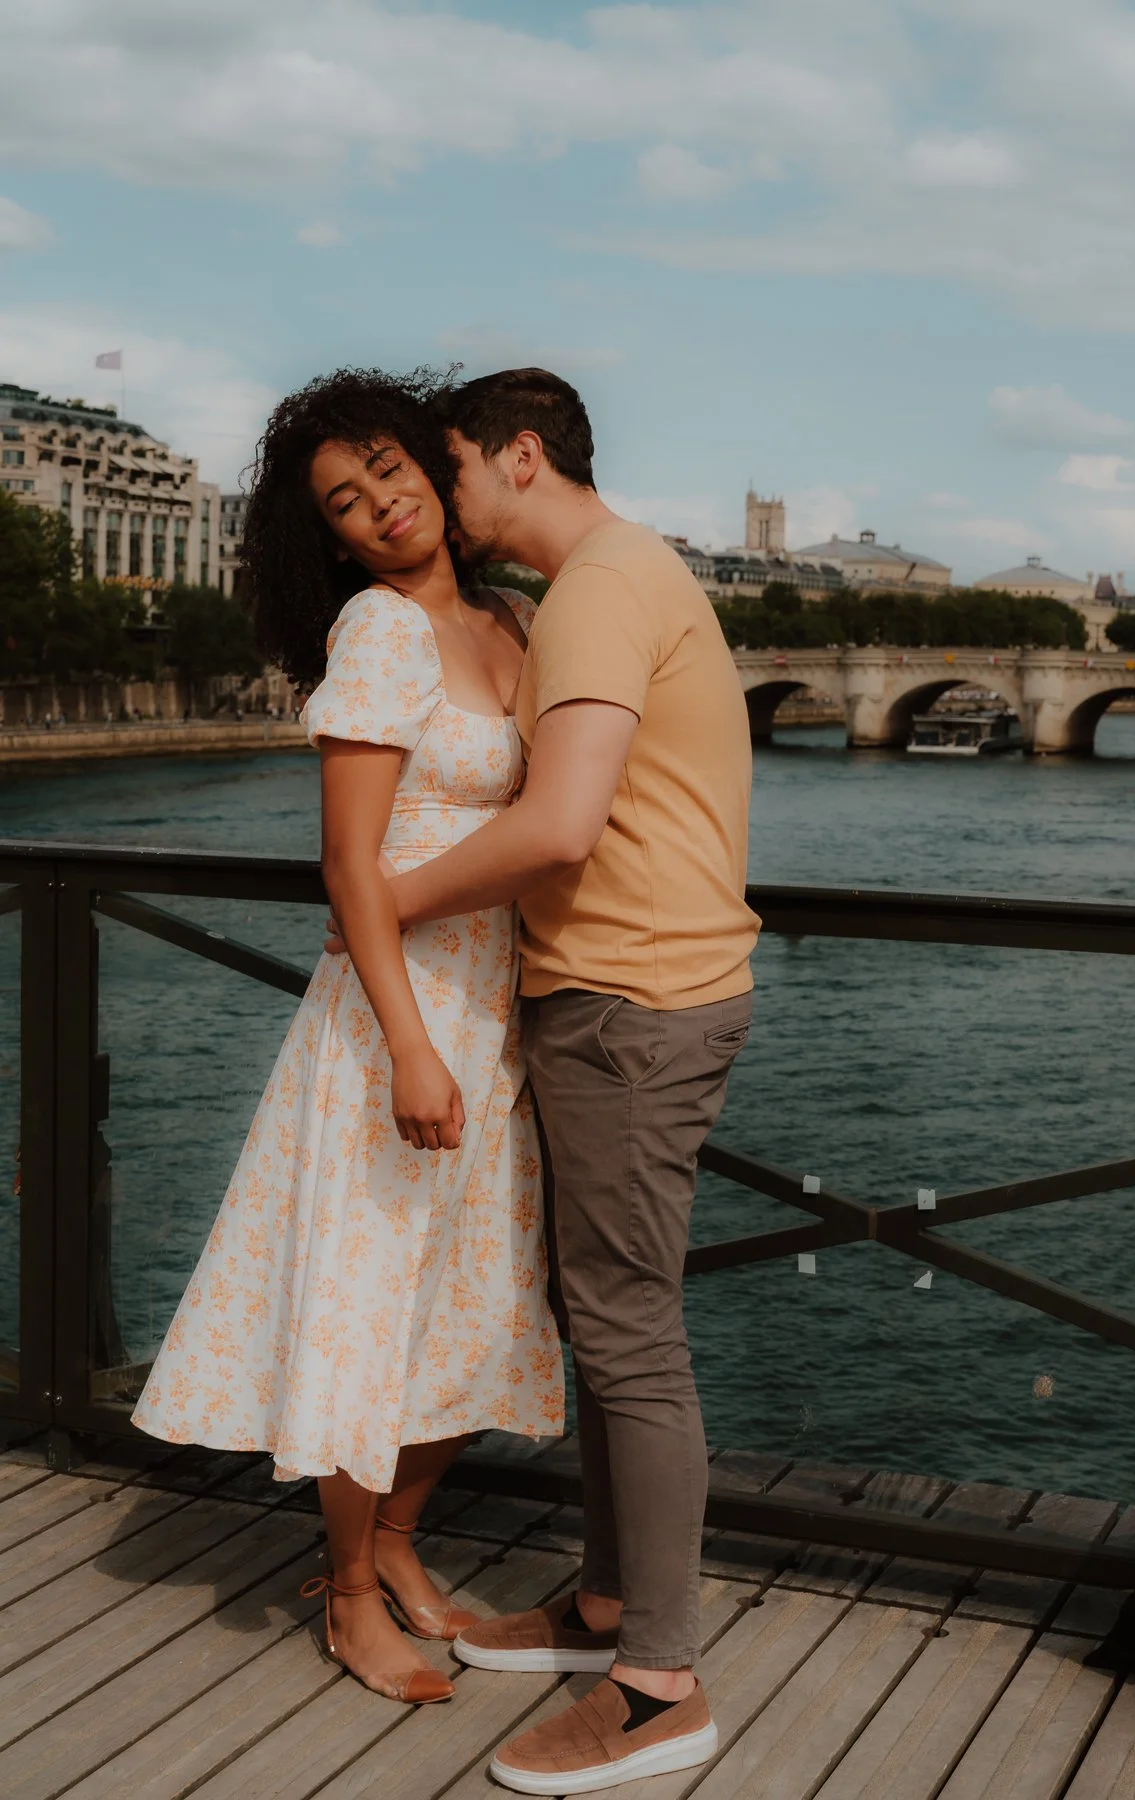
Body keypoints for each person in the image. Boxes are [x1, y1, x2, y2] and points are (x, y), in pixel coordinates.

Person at [132, 368, 564, 1707]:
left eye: (386, 469)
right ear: (331, 541)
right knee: (370, 1311)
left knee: (466, 1305)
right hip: (401, 1020)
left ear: (434, 465)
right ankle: (349, 1594)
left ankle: (393, 1546)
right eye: (343, 502)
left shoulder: (511, 621)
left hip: (495, 1004)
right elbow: (350, 865)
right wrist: (412, 1049)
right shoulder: (380, 633)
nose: (378, 506)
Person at [353, 368, 759, 1792]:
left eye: (450, 470)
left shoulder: (592, 588)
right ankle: (606, 1611)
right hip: (651, 992)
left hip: (628, 1002)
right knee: (606, 1318)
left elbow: (562, 821)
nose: (443, 502)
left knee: (632, 1338)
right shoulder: (631, 574)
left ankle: (657, 1686)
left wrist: (384, 900)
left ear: (518, 457)